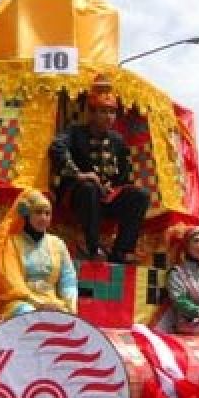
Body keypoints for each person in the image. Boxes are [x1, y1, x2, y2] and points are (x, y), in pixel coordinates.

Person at [49, 74, 150, 263]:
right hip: (78, 195)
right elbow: (57, 149)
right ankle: (92, 247)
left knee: (141, 195)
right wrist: (80, 174)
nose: (109, 117)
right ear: (92, 113)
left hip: (106, 198)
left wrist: (113, 188)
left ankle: (121, 250)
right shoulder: (75, 132)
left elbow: (125, 175)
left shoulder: (118, 141)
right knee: (89, 187)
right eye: (103, 112)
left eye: (112, 112)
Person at [0, 188, 78, 319]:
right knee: (28, 312)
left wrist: (70, 307)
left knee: (67, 317)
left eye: (47, 214)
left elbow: (68, 279)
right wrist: (39, 305)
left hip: (52, 303)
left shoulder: (58, 244)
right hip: (19, 303)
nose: (44, 218)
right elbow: (12, 281)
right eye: (38, 213)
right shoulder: (11, 243)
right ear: (27, 215)